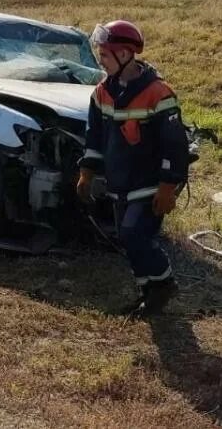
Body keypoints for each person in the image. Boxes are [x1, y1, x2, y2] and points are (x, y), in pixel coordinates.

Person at [76, 20, 190, 316]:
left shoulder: (158, 93)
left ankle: (164, 283)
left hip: (150, 182)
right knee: (127, 239)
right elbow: (94, 136)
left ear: (125, 55)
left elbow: (175, 144)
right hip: (120, 182)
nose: (100, 60)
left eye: (105, 54)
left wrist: (168, 186)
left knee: (133, 234)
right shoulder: (102, 93)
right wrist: (86, 172)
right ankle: (149, 293)